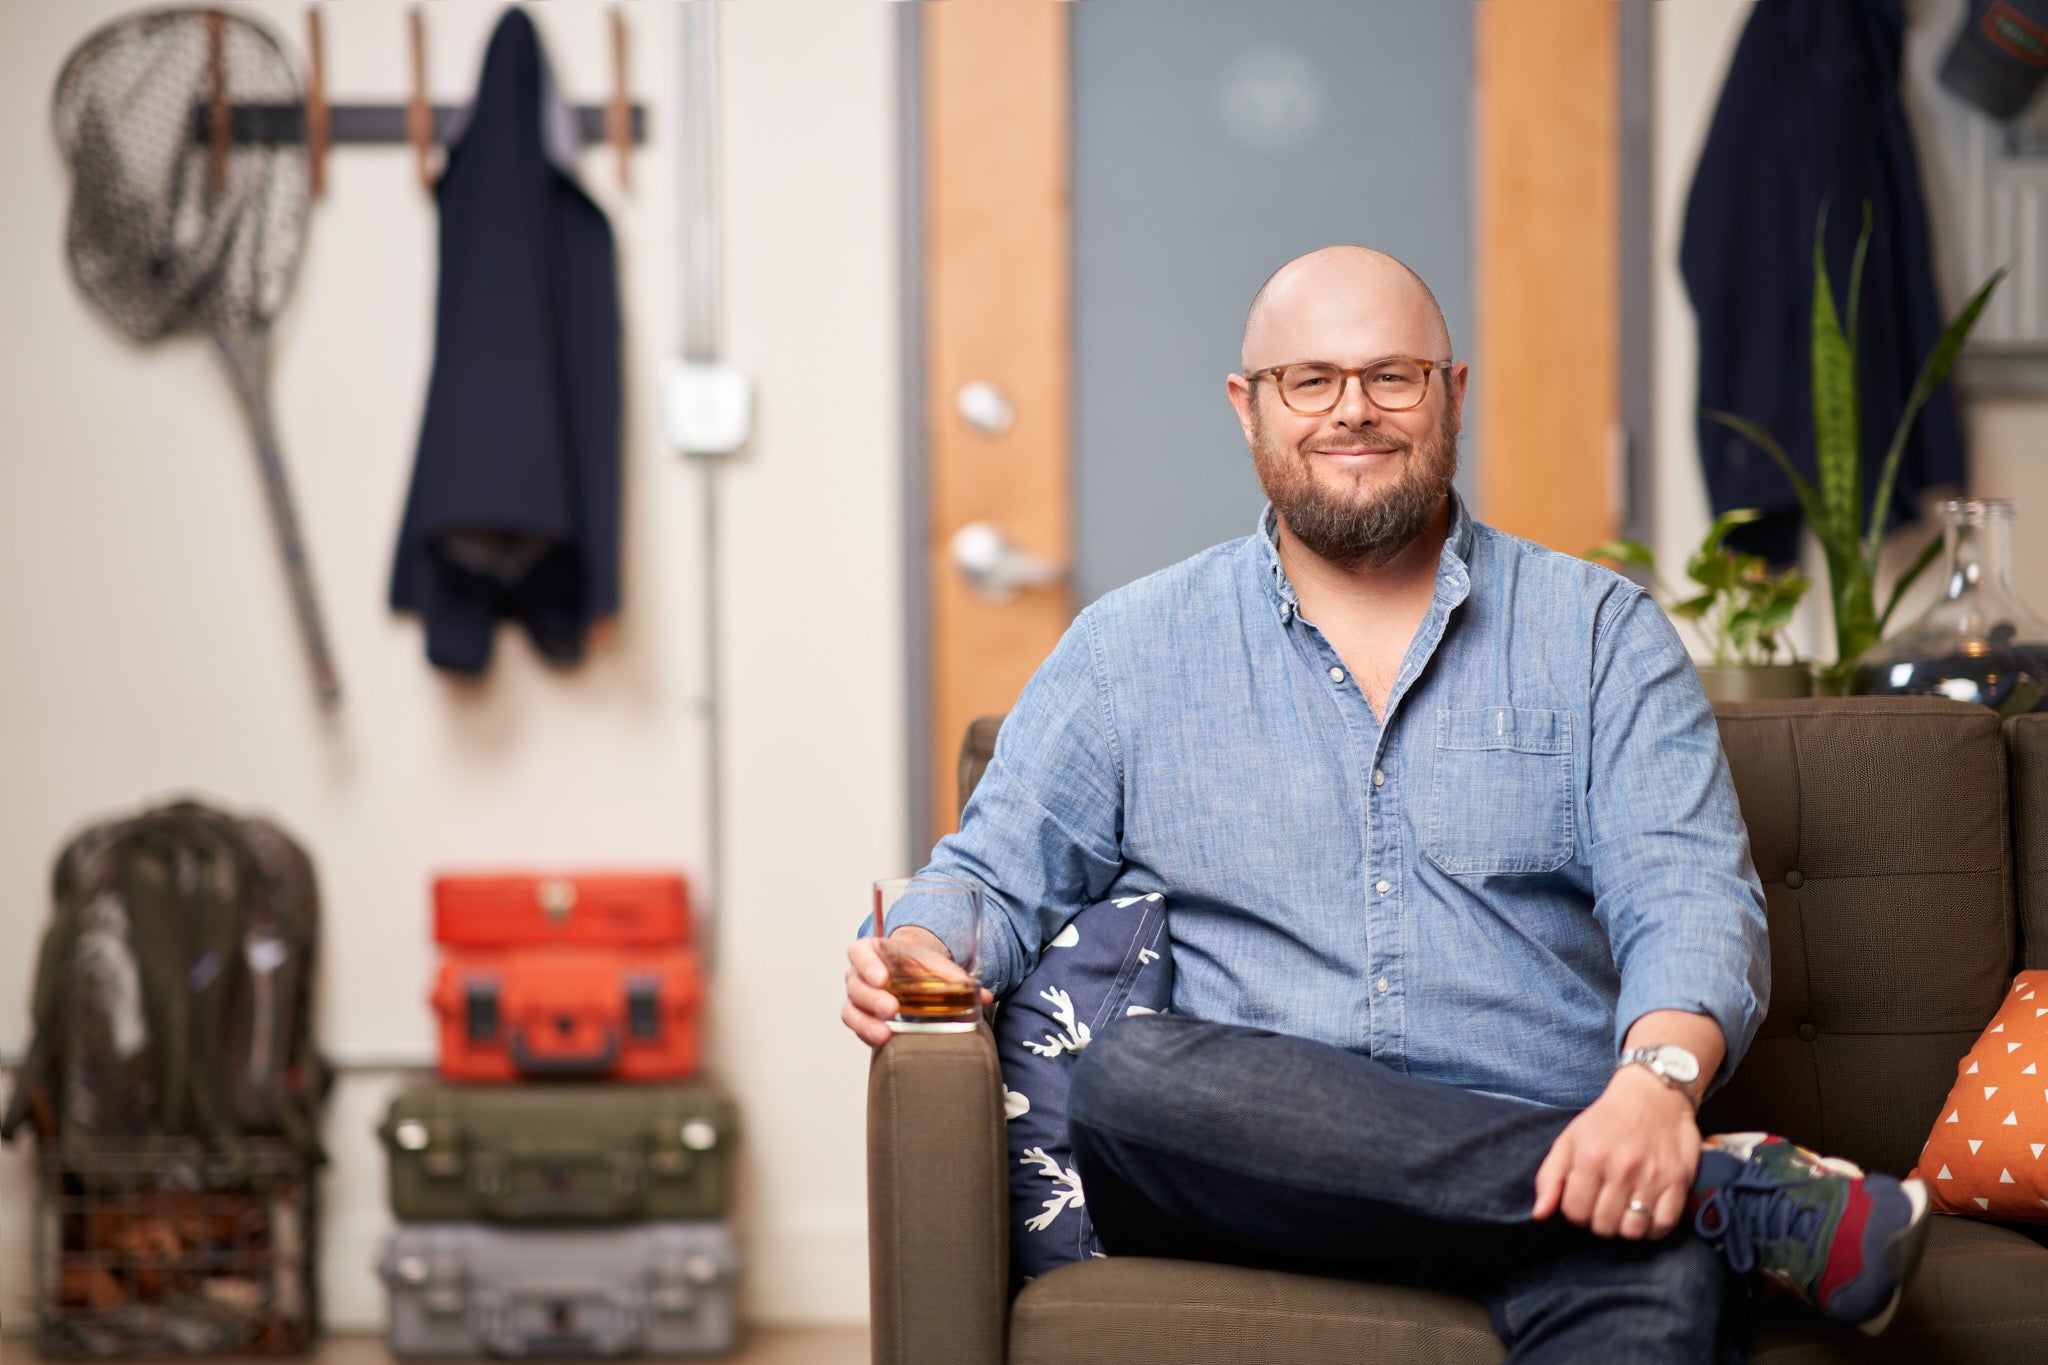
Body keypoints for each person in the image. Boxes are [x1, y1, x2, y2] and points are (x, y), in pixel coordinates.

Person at [841, 246, 1930, 1361]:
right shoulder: (1130, 649)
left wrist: (1652, 1091)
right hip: (1249, 1175)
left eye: (1391, 377)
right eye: (1308, 380)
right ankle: (1719, 1191)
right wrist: (917, 946)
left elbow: (1687, 898)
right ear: (1247, 406)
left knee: (1652, 1278)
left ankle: (1665, 1191)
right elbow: (989, 878)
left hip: (1579, 1165)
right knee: (1130, 1081)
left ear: (1452, 393)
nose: (1349, 412)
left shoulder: (1597, 634)